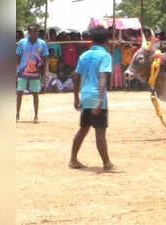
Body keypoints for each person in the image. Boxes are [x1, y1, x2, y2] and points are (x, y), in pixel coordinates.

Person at [69, 27, 115, 171]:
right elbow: (103, 77)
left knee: (83, 129)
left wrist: (76, 97)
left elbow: (76, 77)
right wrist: (100, 100)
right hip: (97, 96)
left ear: (92, 40)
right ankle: (106, 162)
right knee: (100, 132)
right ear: (107, 40)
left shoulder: (84, 56)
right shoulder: (105, 56)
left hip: (85, 95)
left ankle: (73, 159)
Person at [16, 24, 49, 123]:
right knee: (19, 93)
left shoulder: (42, 43)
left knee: (35, 94)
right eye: (33, 31)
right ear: (29, 32)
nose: (35, 33)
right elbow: (17, 56)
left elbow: (45, 58)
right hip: (23, 71)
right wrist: (16, 69)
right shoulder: (22, 42)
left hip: (35, 71)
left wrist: (45, 71)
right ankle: (17, 114)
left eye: (37, 31)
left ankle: (36, 116)